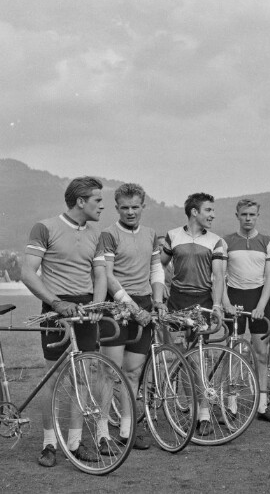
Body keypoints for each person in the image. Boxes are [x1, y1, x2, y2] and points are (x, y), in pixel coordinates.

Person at [21, 176, 107, 467]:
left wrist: (96, 306)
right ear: (81, 201)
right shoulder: (45, 227)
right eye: (98, 199)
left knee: (83, 376)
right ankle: (48, 444)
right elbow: (28, 273)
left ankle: (75, 441)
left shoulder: (97, 233)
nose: (102, 205)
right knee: (53, 377)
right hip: (56, 308)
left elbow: (100, 275)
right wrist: (57, 303)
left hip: (86, 308)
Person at [98, 183, 167, 451]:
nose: (130, 212)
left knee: (134, 371)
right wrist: (131, 307)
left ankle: (128, 431)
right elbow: (108, 275)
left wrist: (157, 300)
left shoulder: (150, 234)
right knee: (108, 371)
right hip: (115, 305)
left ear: (143, 207)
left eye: (135, 207)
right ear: (117, 208)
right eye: (124, 207)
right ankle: (103, 432)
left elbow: (156, 269)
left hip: (144, 304)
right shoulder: (108, 234)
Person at [160, 192, 225, 435]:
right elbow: (160, 265)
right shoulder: (173, 236)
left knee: (197, 358)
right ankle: (197, 410)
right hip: (177, 301)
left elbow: (218, 276)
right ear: (194, 212)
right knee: (184, 358)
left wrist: (217, 305)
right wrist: (163, 292)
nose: (213, 215)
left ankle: (205, 413)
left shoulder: (216, 241)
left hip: (202, 302)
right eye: (208, 210)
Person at [222, 199, 270, 423]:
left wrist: (260, 306)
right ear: (237, 215)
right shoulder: (225, 241)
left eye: (252, 214)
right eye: (244, 214)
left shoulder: (268, 241)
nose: (248, 218)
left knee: (261, 353)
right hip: (234, 296)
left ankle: (263, 405)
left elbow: (269, 278)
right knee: (232, 352)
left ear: (258, 215)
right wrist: (226, 303)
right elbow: (219, 277)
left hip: (259, 298)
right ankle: (231, 404)